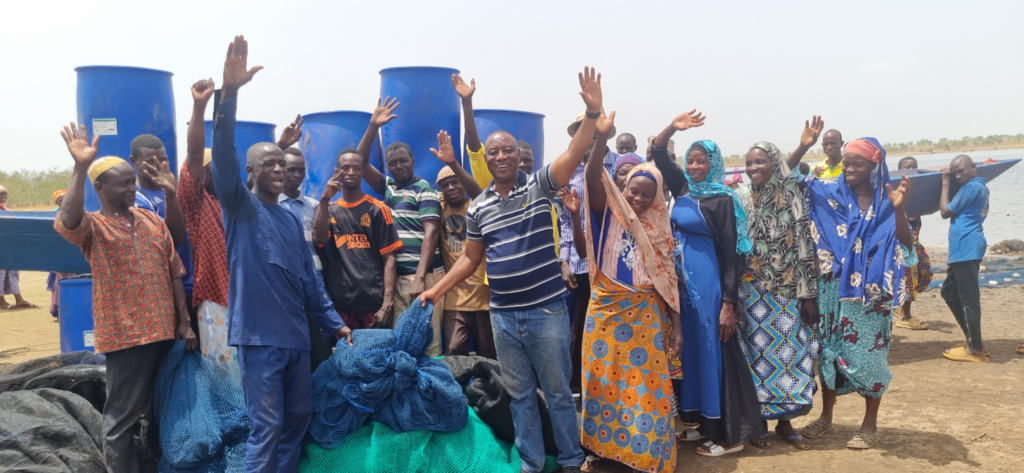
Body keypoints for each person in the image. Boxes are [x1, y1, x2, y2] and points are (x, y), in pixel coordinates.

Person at [419, 66, 607, 473]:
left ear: (517, 157)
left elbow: (575, 153)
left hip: (546, 311)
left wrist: (592, 114)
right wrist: (436, 291)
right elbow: (471, 258)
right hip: (503, 315)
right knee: (520, 394)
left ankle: (572, 461)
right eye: (494, 153)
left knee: (557, 393)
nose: (501, 157)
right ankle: (532, 462)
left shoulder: (540, 184)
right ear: (487, 160)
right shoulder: (480, 205)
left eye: (508, 151)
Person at [211, 35, 351, 472]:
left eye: (281, 163)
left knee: (297, 419)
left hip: (295, 339)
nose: (276, 169)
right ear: (250, 172)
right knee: (266, 424)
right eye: (267, 164)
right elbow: (222, 157)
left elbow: (311, 283)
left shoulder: (293, 219)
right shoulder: (240, 208)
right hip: (258, 338)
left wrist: (334, 325)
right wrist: (229, 95)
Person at [54, 122, 197, 471]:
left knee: (161, 408)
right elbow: (68, 221)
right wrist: (80, 166)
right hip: (128, 336)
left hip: (165, 331)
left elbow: (175, 271)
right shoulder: (94, 227)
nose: (133, 188)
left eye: (133, 181)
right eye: (124, 183)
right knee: (121, 417)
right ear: (100, 188)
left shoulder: (150, 220)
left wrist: (184, 322)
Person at [570, 107, 682, 473]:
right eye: (634, 190)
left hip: (645, 317)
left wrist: (677, 326)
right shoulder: (608, 214)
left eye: (647, 195)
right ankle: (606, 454)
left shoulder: (660, 231)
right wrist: (599, 137)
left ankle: (645, 455)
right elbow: (591, 175)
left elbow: (669, 282)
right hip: (604, 313)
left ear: (656, 198)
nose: (638, 199)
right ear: (624, 187)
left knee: (648, 390)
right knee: (603, 384)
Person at [651, 110, 764, 457]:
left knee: (714, 354)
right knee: (693, 355)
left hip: (709, 289)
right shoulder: (683, 188)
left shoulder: (722, 200)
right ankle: (703, 425)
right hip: (682, 289)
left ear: (713, 163)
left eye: (702, 161)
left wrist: (728, 304)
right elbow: (656, 150)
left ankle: (729, 435)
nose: (695, 167)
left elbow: (732, 257)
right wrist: (673, 125)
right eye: (691, 161)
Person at [800, 137, 915, 450]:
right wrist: (800, 147)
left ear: (874, 166)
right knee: (828, 352)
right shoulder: (827, 193)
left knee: (870, 355)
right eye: (846, 162)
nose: (849, 168)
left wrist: (899, 209)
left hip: (870, 294)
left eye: (857, 164)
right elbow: (785, 179)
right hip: (830, 288)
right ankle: (826, 416)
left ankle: (869, 424)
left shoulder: (887, 199)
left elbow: (906, 245)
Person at [736, 132, 822, 451]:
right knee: (755, 356)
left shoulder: (792, 197)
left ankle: (785, 423)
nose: (753, 167)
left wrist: (809, 296)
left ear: (775, 164)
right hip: (750, 290)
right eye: (748, 163)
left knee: (790, 355)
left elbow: (804, 248)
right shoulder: (741, 197)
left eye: (760, 161)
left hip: (785, 291)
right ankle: (758, 421)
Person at [356, 96, 446, 356]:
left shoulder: (424, 189)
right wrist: (373, 126)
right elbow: (359, 163)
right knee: (402, 342)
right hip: (397, 277)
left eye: (403, 161)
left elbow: (431, 232)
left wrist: (420, 277)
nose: (398, 167)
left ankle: (433, 393)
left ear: (413, 161)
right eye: (393, 163)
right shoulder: (389, 187)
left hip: (423, 276)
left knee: (428, 343)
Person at [559, 104, 621, 395]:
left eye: (596, 134)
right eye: (584, 134)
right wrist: (564, 261)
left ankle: (610, 384)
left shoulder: (620, 166)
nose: (590, 139)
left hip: (613, 264)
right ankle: (579, 386)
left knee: (610, 326)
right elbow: (567, 223)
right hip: (581, 264)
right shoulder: (569, 170)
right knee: (580, 325)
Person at [178, 78, 237, 379]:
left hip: (249, 299)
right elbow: (194, 151)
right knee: (224, 375)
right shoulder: (196, 203)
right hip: (218, 300)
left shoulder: (239, 204)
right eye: (215, 167)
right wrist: (200, 106)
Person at [312, 148, 401, 331]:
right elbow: (319, 240)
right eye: (345, 168)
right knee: (347, 358)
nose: (351, 172)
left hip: (373, 303)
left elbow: (389, 258)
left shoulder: (377, 209)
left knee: (375, 357)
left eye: (356, 167)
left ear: (363, 172)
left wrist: (387, 304)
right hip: (341, 303)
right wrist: (323, 199)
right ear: (338, 172)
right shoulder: (329, 209)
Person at [427, 130, 496, 358]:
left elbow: (481, 193)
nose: (450, 188)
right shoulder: (441, 207)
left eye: (454, 182)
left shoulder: (477, 205)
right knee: (455, 353)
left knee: (488, 356)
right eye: (444, 185)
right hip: (454, 299)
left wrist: (454, 164)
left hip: (484, 298)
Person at [128, 133, 198, 347]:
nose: (159, 165)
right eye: (150, 161)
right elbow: (173, 237)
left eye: (163, 159)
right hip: (168, 295)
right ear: (134, 162)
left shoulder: (177, 192)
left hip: (194, 288)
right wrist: (170, 194)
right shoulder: (136, 200)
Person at [278, 138, 337, 372]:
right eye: (290, 169)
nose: (297, 174)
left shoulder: (312, 205)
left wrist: (324, 201)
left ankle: (319, 403)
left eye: (301, 170)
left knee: (321, 350)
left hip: (314, 285)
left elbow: (321, 239)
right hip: (283, 287)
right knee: (290, 351)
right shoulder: (268, 205)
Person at [939, 154, 989, 362]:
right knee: (949, 293)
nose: (958, 176)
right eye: (954, 173)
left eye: (961, 171)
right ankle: (973, 341)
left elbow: (944, 211)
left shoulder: (971, 188)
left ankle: (976, 350)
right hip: (964, 248)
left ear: (973, 167)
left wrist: (944, 182)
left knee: (969, 299)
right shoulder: (978, 187)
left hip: (966, 247)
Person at [894, 156, 933, 330]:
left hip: (915, 244)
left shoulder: (916, 193)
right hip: (903, 247)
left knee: (924, 275)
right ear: (899, 170)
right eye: (907, 167)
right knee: (908, 281)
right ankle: (905, 316)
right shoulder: (896, 193)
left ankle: (900, 308)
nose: (911, 169)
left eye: (914, 167)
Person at [0, 186, 38, 310]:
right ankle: (2, 301)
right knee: (0, 273)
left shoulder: (5, 209)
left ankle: (19, 299)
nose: (4, 197)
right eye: (1, 194)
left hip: (8, 246)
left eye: (5, 194)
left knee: (12, 272)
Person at [46, 189, 73, 318]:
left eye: (66, 199)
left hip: (72, 250)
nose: (64, 202)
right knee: (59, 281)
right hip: (59, 252)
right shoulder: (52, 215)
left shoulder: (76, 212)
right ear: (57, 202)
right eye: (61, 200)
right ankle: (59, 309)